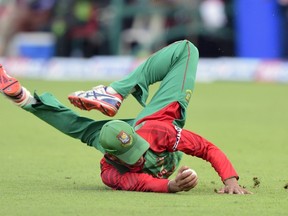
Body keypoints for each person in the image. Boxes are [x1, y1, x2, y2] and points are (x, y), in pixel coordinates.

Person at [0, 40, 251, 194]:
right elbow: (142, 183)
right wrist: (172, 186)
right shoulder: (110, 172)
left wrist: (230, 180)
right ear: (111, 156)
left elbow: (206, 147)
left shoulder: (157, 132)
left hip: (152, 121)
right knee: (80, 129)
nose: (140, 157)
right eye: (133, 156)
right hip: (131, 131)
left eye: (138, 149)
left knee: (186, 50)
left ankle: (115, 91)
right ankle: (25, 99)